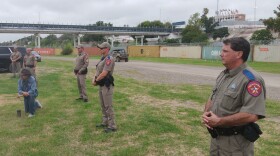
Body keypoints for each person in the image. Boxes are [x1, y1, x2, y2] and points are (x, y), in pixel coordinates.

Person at [202, 37, 266, 156]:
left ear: (239, 54)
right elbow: (213, 96)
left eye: (225, 51)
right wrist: (207, 114)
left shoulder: (251, 79)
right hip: (217, 139)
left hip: (236, 143)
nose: (221, 54)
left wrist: (219, 121)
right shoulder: (224, 74)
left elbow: (252, 115)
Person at [92, 42, 117, 133]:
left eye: (102, 48)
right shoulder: (102, 58)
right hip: (101, 84)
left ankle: (112, 126)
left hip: (106, 85)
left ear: (107, 49)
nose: (100, 50)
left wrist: (96, 81)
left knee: (108, 106)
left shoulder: (109, 58)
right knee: (103, 105)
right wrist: (94, 78)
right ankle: (105, 122)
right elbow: (98, 70)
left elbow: (104, 73)